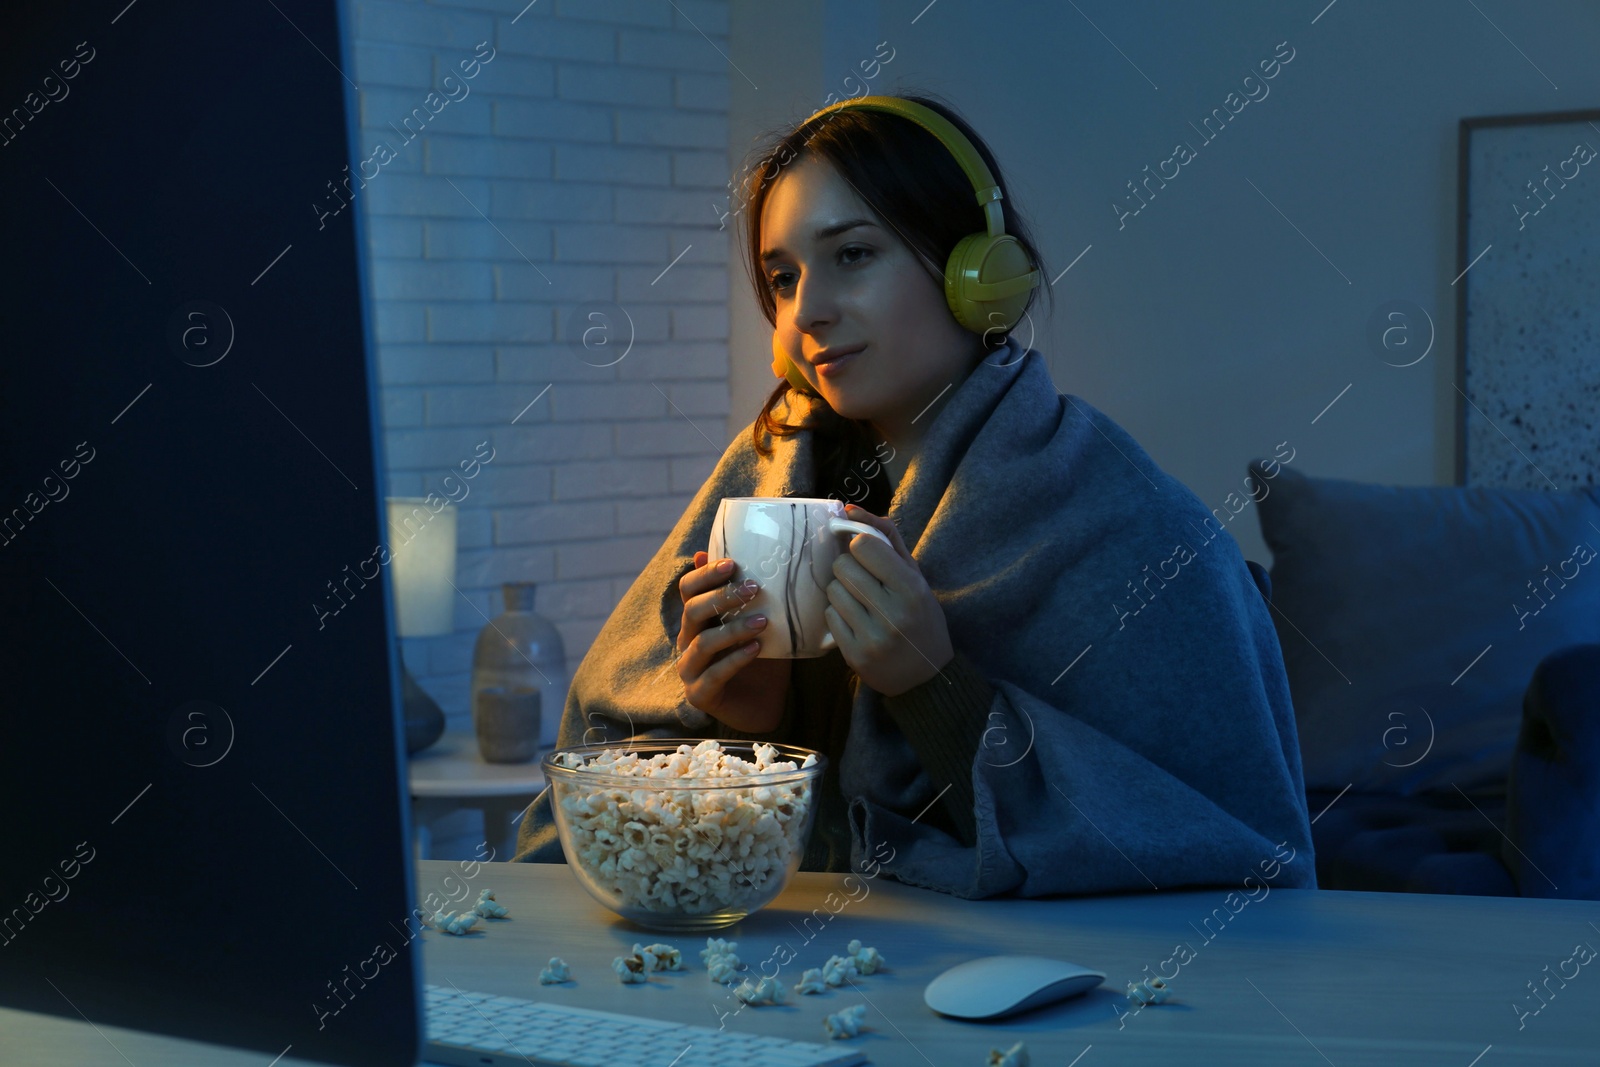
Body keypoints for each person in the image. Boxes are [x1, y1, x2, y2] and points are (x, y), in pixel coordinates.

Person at [512, 91, 1317, 898]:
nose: (808, 310)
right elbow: (614, 802)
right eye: (782, 278)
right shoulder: (755, 480)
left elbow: (1227, 856)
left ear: (978, 275)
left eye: (853, 255)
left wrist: (934, 688)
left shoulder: (1139, 528)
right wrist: (741, 728)